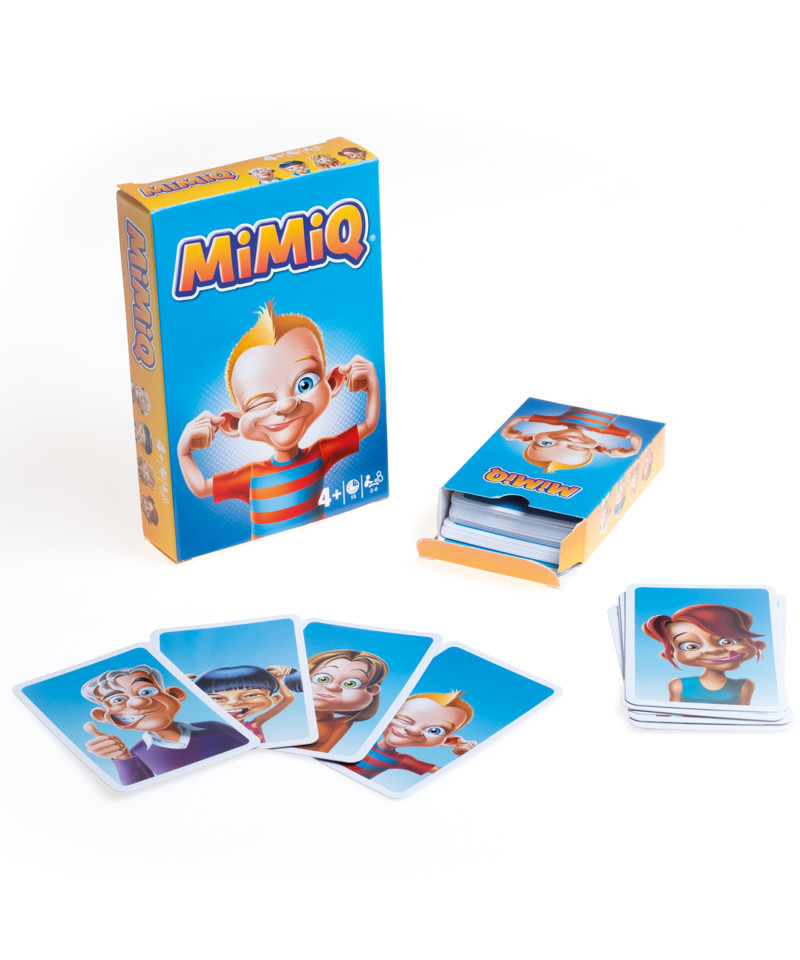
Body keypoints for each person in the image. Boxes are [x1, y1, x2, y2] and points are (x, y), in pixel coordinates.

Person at [177, 300, 380, 539]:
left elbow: (368, 425)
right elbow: (201, 488)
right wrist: (183, 452)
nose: (286, 405)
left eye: (305, 383)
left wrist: (372, 384)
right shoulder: (251, 476)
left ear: (333, 382)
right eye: (260, 402)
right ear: (232, 424)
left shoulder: (320, 454)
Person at [82, 665, 249, 785]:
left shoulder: (215, 728)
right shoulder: (136, 754)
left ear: (174, 694)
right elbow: (140, 791)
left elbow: (252, 751)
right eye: (117, 700)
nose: (138, 702)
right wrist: (122, 756)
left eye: (147, 692)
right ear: (103, 716)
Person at [644, 604, 767, 705]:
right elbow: (670, 713)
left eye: (728, 641)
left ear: (757, 645)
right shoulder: (678, 685)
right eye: (691, 646)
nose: (712, 650)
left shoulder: (745, 685)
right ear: (670, 655)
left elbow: (744, 715)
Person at [342, 691, 476, 779]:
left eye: (435, 730)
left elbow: (445, 775)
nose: (413, 730)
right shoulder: (357, 736)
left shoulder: (402, 760)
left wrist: (467, 758)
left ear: (448, 741)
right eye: (403, 719)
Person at [296, 649, 388, 753]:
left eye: (350, 684)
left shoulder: (341, 724)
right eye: (322, 679)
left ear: (371, 690)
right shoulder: (286, 706)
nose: (332, 687)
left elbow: (323, 751)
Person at [501, 406, 641, 473]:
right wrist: (631, 451)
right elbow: (635, 437)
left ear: (531, 437)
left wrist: (506, 430)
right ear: (598, 447)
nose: (564, 441)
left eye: (546, 443)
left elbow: (520, 418)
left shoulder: (557, 420)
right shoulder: (603, 428)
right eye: (577, 448)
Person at [190, 664, 302, 743]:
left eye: (250, 695)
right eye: (217, 698)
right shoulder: (212, 729)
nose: (234, 702)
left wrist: (278, 679)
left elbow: (288, 698)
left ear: (275, 698)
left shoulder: (254, 724)